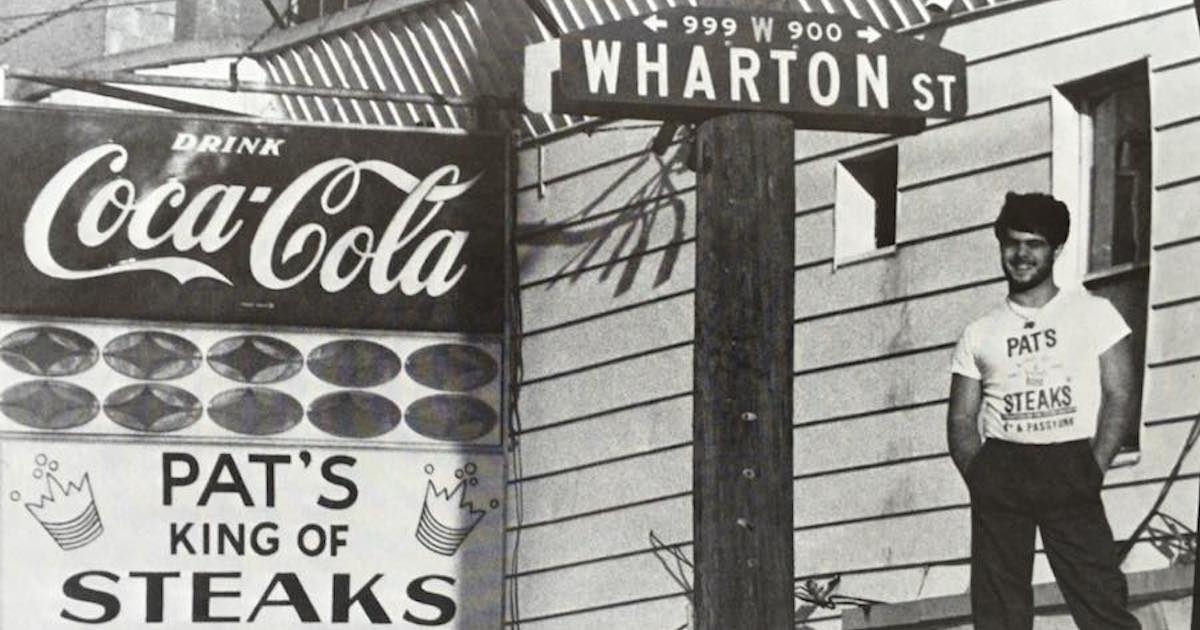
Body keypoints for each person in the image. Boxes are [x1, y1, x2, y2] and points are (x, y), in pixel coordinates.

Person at [947, 192, 1141, 630]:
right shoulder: (980, 332)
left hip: (1069, 461)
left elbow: (1120, 395)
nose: (1021, 254)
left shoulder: (1093, 313)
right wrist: (980, 474)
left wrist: (1095, 464)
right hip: (1003, 464)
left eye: (1034, 244)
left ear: (1055, 250)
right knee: (999, 612)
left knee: (1101, 601)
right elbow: (961, 418)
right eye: (1012, 242)